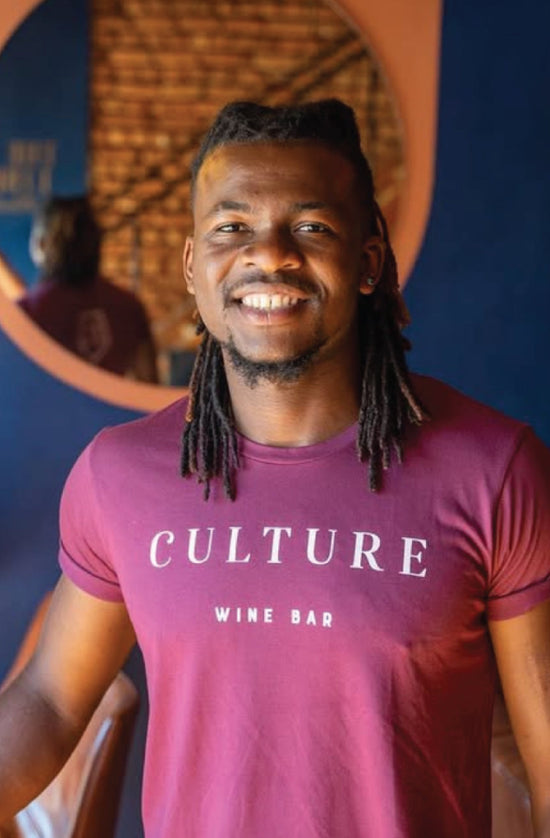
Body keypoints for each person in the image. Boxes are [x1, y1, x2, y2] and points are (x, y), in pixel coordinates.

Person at [1, 99, 550, 838]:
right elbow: (50, 702)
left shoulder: (495, 471)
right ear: (194, 267)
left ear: (368, 262)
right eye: (232, 227)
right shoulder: (120, 476)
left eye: (311, 227)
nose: (270, 254)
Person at [17, 196, 158, 382]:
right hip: (112, 410)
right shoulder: (129, 307)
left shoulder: (28, 311)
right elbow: (148, 386)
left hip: (45, 410)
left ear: (41, 244)